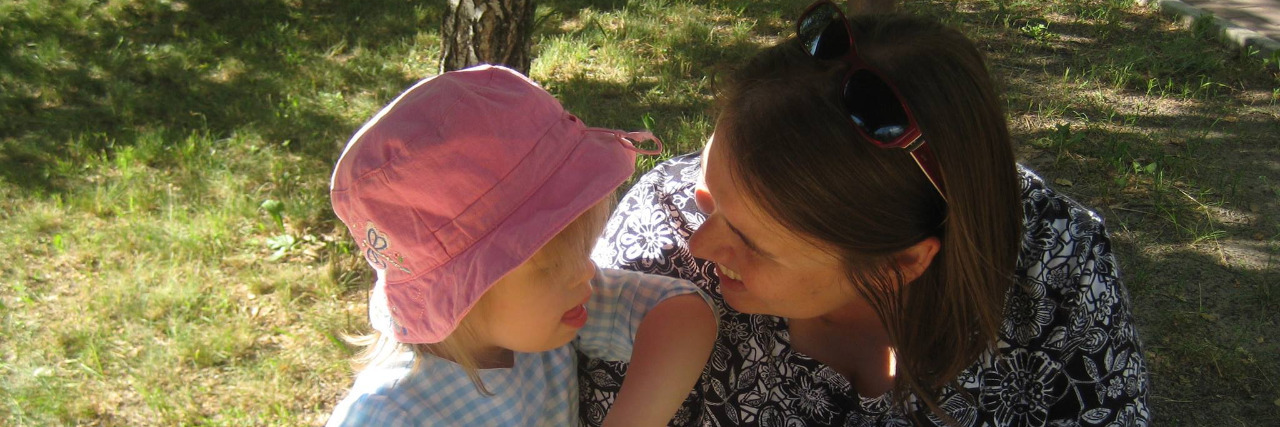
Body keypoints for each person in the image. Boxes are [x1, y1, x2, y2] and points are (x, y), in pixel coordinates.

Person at [581, 2, 1150, 426]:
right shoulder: (654, 244)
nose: (699, 244)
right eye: (708, 193)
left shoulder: (1057, 273)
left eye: (750, 241)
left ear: (896, 264)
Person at [324, 65, 717, 426]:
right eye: (551, 266)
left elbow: (684, 315)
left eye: (581, 250)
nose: (586, 270)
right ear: (461, 294)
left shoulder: (541, 316)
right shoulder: (390, 414)